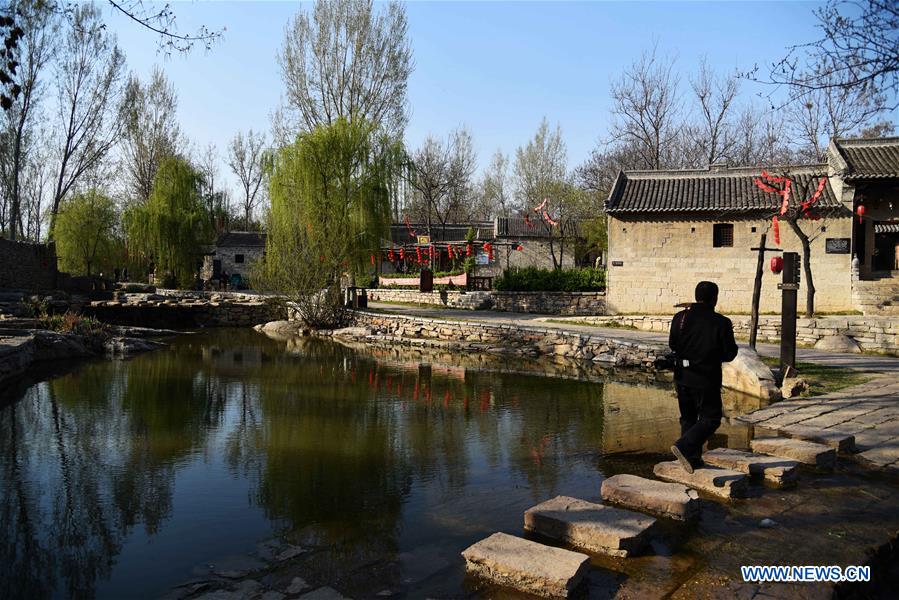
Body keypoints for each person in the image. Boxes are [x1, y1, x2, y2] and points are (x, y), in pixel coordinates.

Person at [668, 281, 739, 473]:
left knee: (688, 418)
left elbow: (672, 344)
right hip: (706, 377)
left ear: (696, 296)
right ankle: (684, 446)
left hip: (682, 376)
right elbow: (729, 354)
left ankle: (691, 459)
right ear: (715, 298)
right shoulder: (721, 322)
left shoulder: (679, 318)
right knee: (711, 419)